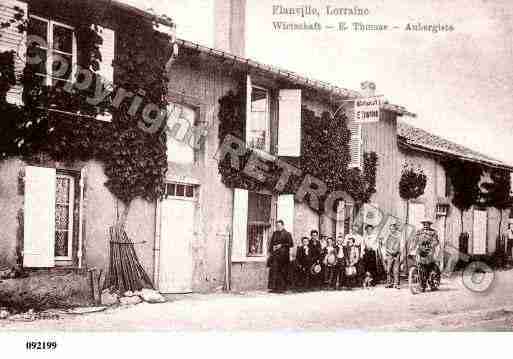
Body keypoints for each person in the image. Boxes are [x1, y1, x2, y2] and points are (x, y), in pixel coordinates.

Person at [414, 217, 440, 292]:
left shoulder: (433, 232)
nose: (425, 225)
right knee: (420, 268)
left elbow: (436, 241)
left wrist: (431, 245)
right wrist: (413, 247)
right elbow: (415, 240)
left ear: (430, 225)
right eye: (424, 224)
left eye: (427, 224)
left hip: (430, 251)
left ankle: (431, 283)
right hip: (420, 251)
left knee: (429, 268)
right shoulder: (419, 231)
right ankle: (422, 286)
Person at [267, 220, 294, 293]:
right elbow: (271, 244)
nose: (278, 227)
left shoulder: (287, 234)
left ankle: (282, 288)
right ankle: (274, 288)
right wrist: (270, 251)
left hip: (283, 257)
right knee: (274, 271)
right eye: (277, 226)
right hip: (275, 256)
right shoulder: (275, 233)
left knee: (283, 272)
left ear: (283, 226)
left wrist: (281, 245)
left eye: (279, 226)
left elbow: (291, 244)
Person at [383, 221, 402, 289]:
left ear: (395, 229)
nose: (392, 230)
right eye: (390, 229)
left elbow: (399, 246)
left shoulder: (399, 236)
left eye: (393, 229)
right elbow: (385, 246)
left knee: (396, 270)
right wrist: (388, 252)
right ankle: (389, 283)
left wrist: (396, 253)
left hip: (396, 255)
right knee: (388, 269)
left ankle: (396, 283)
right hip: (389, 255)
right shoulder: (388, 236)